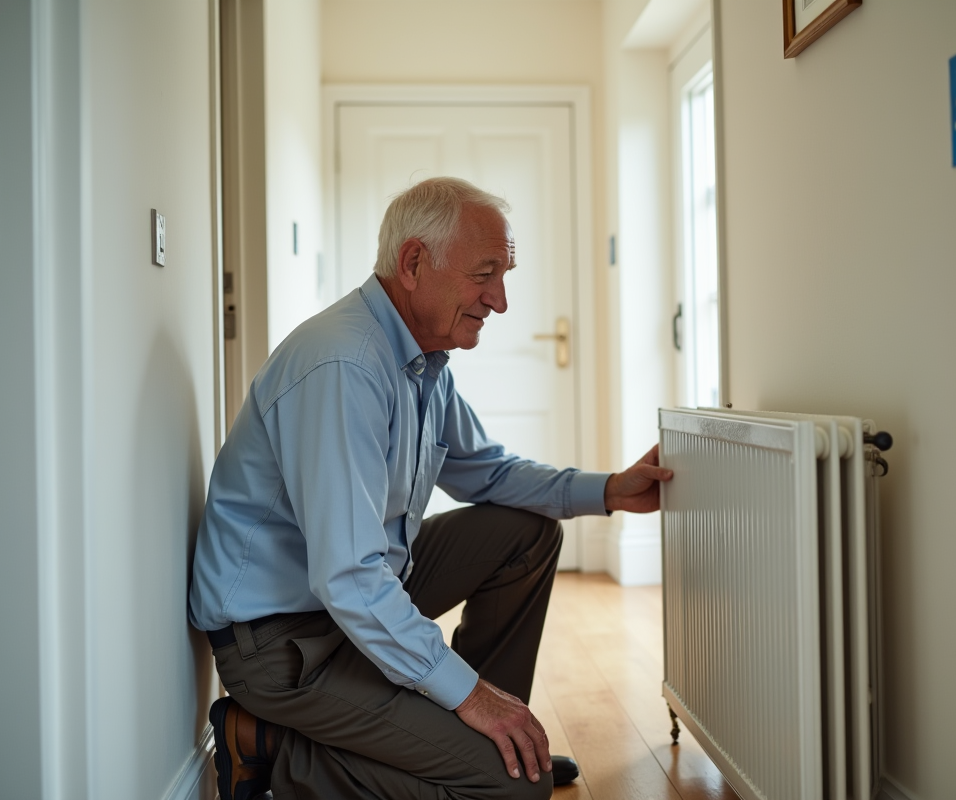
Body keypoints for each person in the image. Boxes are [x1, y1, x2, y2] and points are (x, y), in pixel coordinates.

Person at [189, 177, 672, 800]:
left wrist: (609, 490)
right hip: (283, 646)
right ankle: (274, 746)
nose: (499, 300)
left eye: (505, 275)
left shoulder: (421, 360)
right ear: (414, 262)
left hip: (346, 604)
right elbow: (350, 577)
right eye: (485, 274)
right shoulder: (344, 367)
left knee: (522, 532)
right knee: (512, 793)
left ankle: (501, 739)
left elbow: (491, 474)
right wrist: (466, 693)